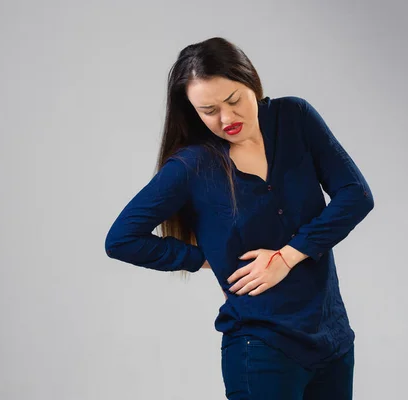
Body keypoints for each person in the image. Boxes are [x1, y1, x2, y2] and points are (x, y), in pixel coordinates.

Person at [104, 36, 374, 399]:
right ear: (192, 111)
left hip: (333, 339)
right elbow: (121, 239)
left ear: (251, 83)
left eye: (234, 100)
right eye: (208, 110)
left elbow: (356, 195)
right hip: (262, 348)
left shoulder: (295, 118)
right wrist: (208, 259)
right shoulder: (192, 165)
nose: (226, 118)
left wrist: (287, 256)